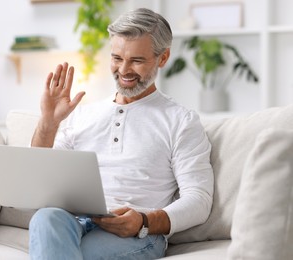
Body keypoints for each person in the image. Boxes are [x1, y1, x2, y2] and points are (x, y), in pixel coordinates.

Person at [29, 8, 213, 260]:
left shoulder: (181, 121)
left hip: (138, 234)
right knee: (46, 217)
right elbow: (40, 181)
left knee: (71, 252)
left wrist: (144, 221)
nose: (124, 70)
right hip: (73, 223)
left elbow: (199, 199)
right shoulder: (81, 115)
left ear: (163, 57)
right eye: (117, 58)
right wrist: (48, 124)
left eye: (137, 60)